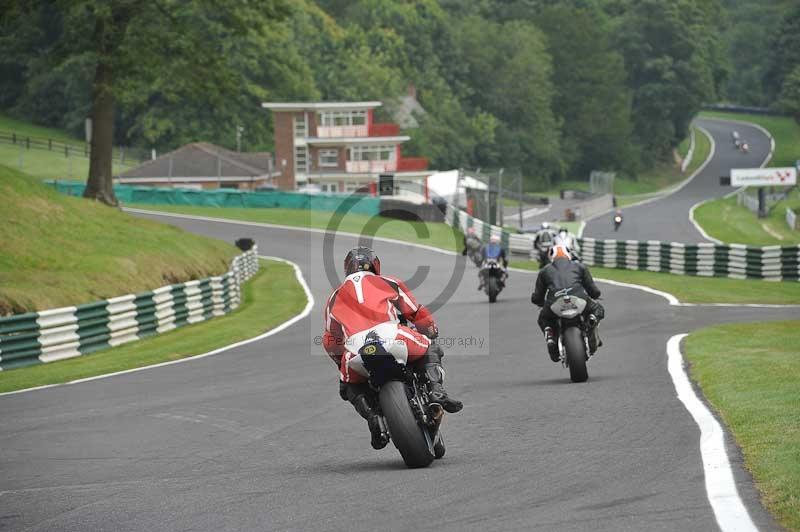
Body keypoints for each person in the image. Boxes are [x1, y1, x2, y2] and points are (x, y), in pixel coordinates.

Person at [322, 247, 463, 449]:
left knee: (348, 386)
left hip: (355, 349)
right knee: (430, 348)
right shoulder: (388, 282)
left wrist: (341, 363)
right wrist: (430, 330)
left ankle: (373, 417)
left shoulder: (333, 298)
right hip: (391, 336)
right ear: (375, 265)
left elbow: (330, 341)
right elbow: (415, 312)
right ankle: (436, 392)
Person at [530, 244, 605, 362]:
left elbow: (538, 296)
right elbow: (593, 290)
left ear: (551, 256)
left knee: (543, 319)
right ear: (568, 254)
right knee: (598, 309)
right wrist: (596, 295)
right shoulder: (580, 267)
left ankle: (550, 335)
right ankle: (592, 318)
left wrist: (538, 301)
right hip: (579, 300)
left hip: (555, 303)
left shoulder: (544, 271)